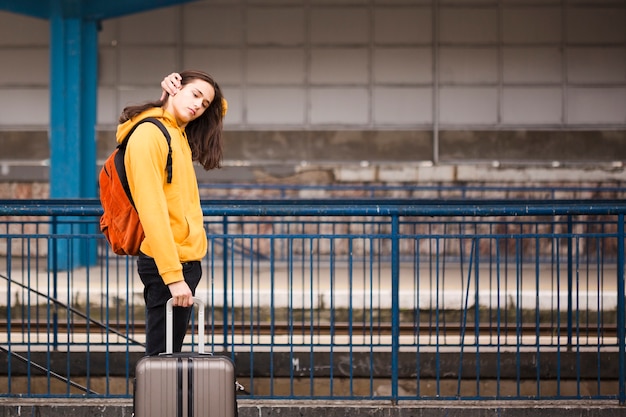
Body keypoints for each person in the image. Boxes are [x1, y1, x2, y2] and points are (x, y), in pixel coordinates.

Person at [117, 70, 226, 355]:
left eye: (204, 105)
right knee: (160, 358)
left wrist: (169, 96)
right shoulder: (149, 136)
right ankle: (151, 401)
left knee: (167, 356)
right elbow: (152, 210)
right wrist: (173, 277)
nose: (198, 106)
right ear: (177, 88)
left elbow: (219, 108)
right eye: (195, 95)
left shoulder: (176, 131)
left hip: (182, 262)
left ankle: (161, 400)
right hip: (168, 264)